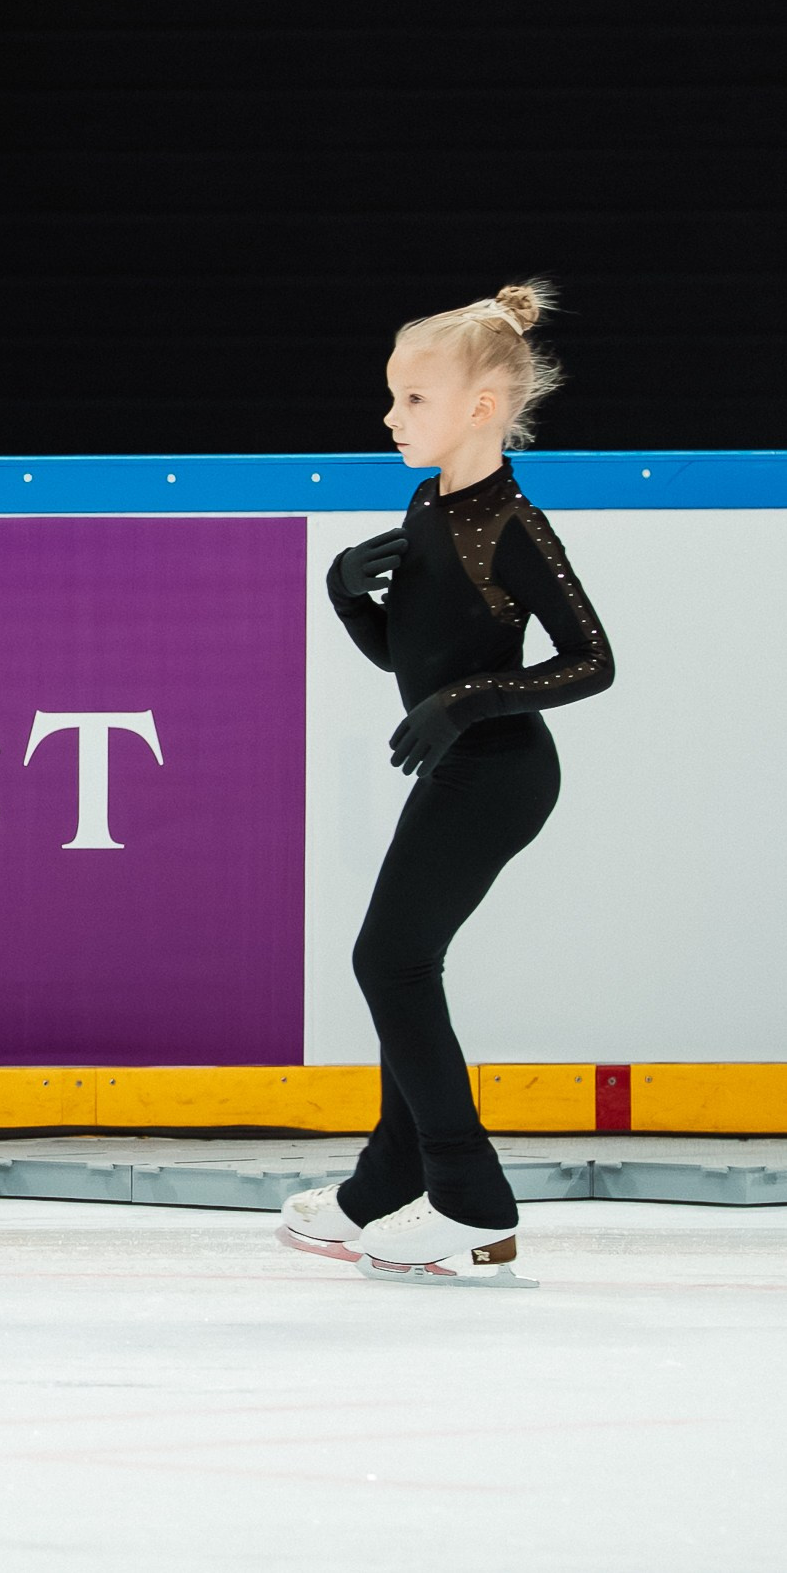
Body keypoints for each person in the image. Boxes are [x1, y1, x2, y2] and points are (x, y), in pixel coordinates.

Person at [278, 281, 612, 1287]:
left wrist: (469, 702)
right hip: (462, 762)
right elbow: (408, 656)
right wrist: (346, 596)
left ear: (478, 406)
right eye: (391, 397)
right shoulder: (429, 503)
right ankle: (386, 1180)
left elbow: (591, 660)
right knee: (397, 958)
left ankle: (469, 1197)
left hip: (502, 769)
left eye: (411, 399)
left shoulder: (510, 523)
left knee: (390, 960)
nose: (389, 416)